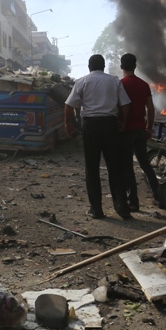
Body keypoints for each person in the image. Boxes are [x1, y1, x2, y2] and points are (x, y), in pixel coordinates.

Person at [64, 54, 133, 219]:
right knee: (115, 167)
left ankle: (97, 209)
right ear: (103, 66)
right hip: (110, 125)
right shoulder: (114, 81)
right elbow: (126, 104)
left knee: (92, 168)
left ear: (89, 66)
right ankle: (122, 207)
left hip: (91, 126)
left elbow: (68, 104)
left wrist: (68, 123)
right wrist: (122, 122)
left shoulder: (82, 81)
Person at [119, 54, 166, 211]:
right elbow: (151, 108)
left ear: (121, 66)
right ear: (135, 66)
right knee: (145, 164)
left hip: (126, 131)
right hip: (140, 129)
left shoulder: (120, 85)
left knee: (127, 166)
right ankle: (159, 197)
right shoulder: (144, 84)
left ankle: (133, 201)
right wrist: (149, 128)